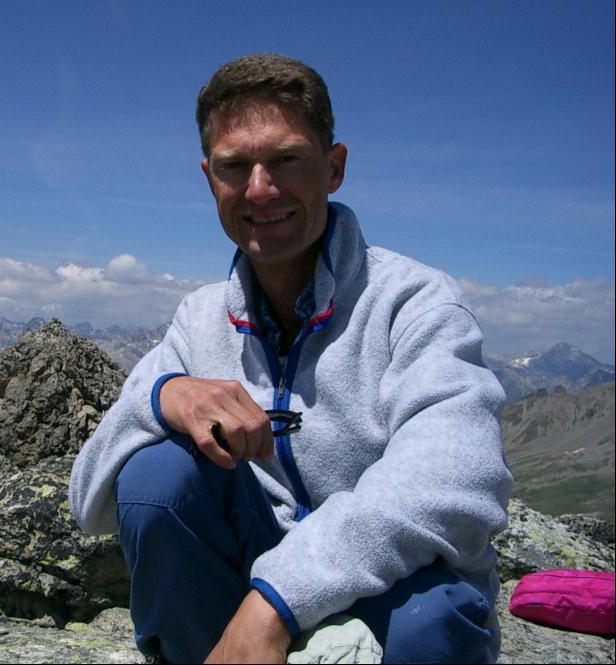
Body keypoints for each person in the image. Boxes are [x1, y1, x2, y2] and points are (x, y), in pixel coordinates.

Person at [69, 53, 513, 664]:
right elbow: (89, 497)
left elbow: (457, 479)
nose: (259, 188)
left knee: (430, 623)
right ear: (209, 178)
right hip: (253, 571)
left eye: (286, 160)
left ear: (333, 168)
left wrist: (277, 601)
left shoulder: (413, 302)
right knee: (157, 477)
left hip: (389, 586)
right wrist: (164, 396)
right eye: (234, 166)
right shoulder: (199, 319)